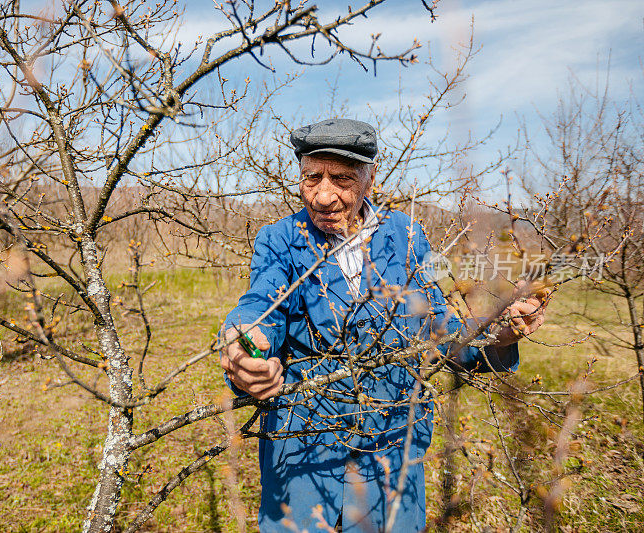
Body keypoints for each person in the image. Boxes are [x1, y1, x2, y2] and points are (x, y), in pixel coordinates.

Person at [219, 119, 547, 532]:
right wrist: (243, 346)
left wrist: (500, 332)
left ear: (370, 178)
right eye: (311, 178)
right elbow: (260, 305)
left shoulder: (405, 236)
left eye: (341, 179)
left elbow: (437, 328)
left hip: (388, 451)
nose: (323, 195)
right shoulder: (280, 239)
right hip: (303, 453)